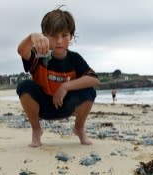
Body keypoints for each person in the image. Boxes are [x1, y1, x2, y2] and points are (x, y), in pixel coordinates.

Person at [16, 7, 100, 147]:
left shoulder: (75, 59)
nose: (59, 41)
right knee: (24, 86)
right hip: (43, 106)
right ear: (45, 36)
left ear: (71, 36)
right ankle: (36, 130)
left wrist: (65, 86)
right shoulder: (39, 55)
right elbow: (22, 50)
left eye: (64, 35)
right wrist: (31, 38)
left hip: (66, 105)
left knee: (89, 90)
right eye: (54, 36)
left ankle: (79, 129)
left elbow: (94, 80)